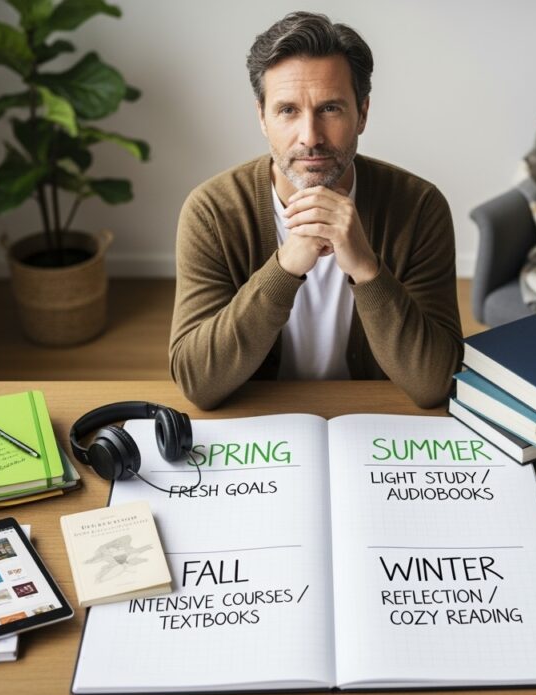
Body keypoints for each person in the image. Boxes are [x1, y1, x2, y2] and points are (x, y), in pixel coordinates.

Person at [168, 11, 462, 410]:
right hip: (260, 423)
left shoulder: (420, 208)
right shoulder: (212, 212)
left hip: (375, 422)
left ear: (362, 113)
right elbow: (198, 383)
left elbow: (435, 384)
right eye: (288, 110)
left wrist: (366, 268)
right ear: (262, 117)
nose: (310, 137)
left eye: (330, 109)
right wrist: (285, 266)